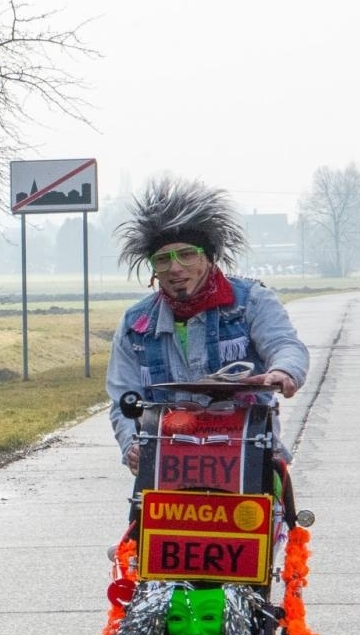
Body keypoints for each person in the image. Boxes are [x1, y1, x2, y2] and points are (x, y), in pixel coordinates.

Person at [106, 177, 310, 475]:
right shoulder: (134, 325)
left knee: (276, 520)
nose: (175, 268)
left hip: (249, 458)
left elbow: (285, 345)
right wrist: (132, 446)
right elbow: (123, 398)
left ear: (209, 258)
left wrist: (284, 370)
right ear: (153, 271)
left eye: (187, 254)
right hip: (167, 465)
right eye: (163, 259)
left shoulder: (251, 301)